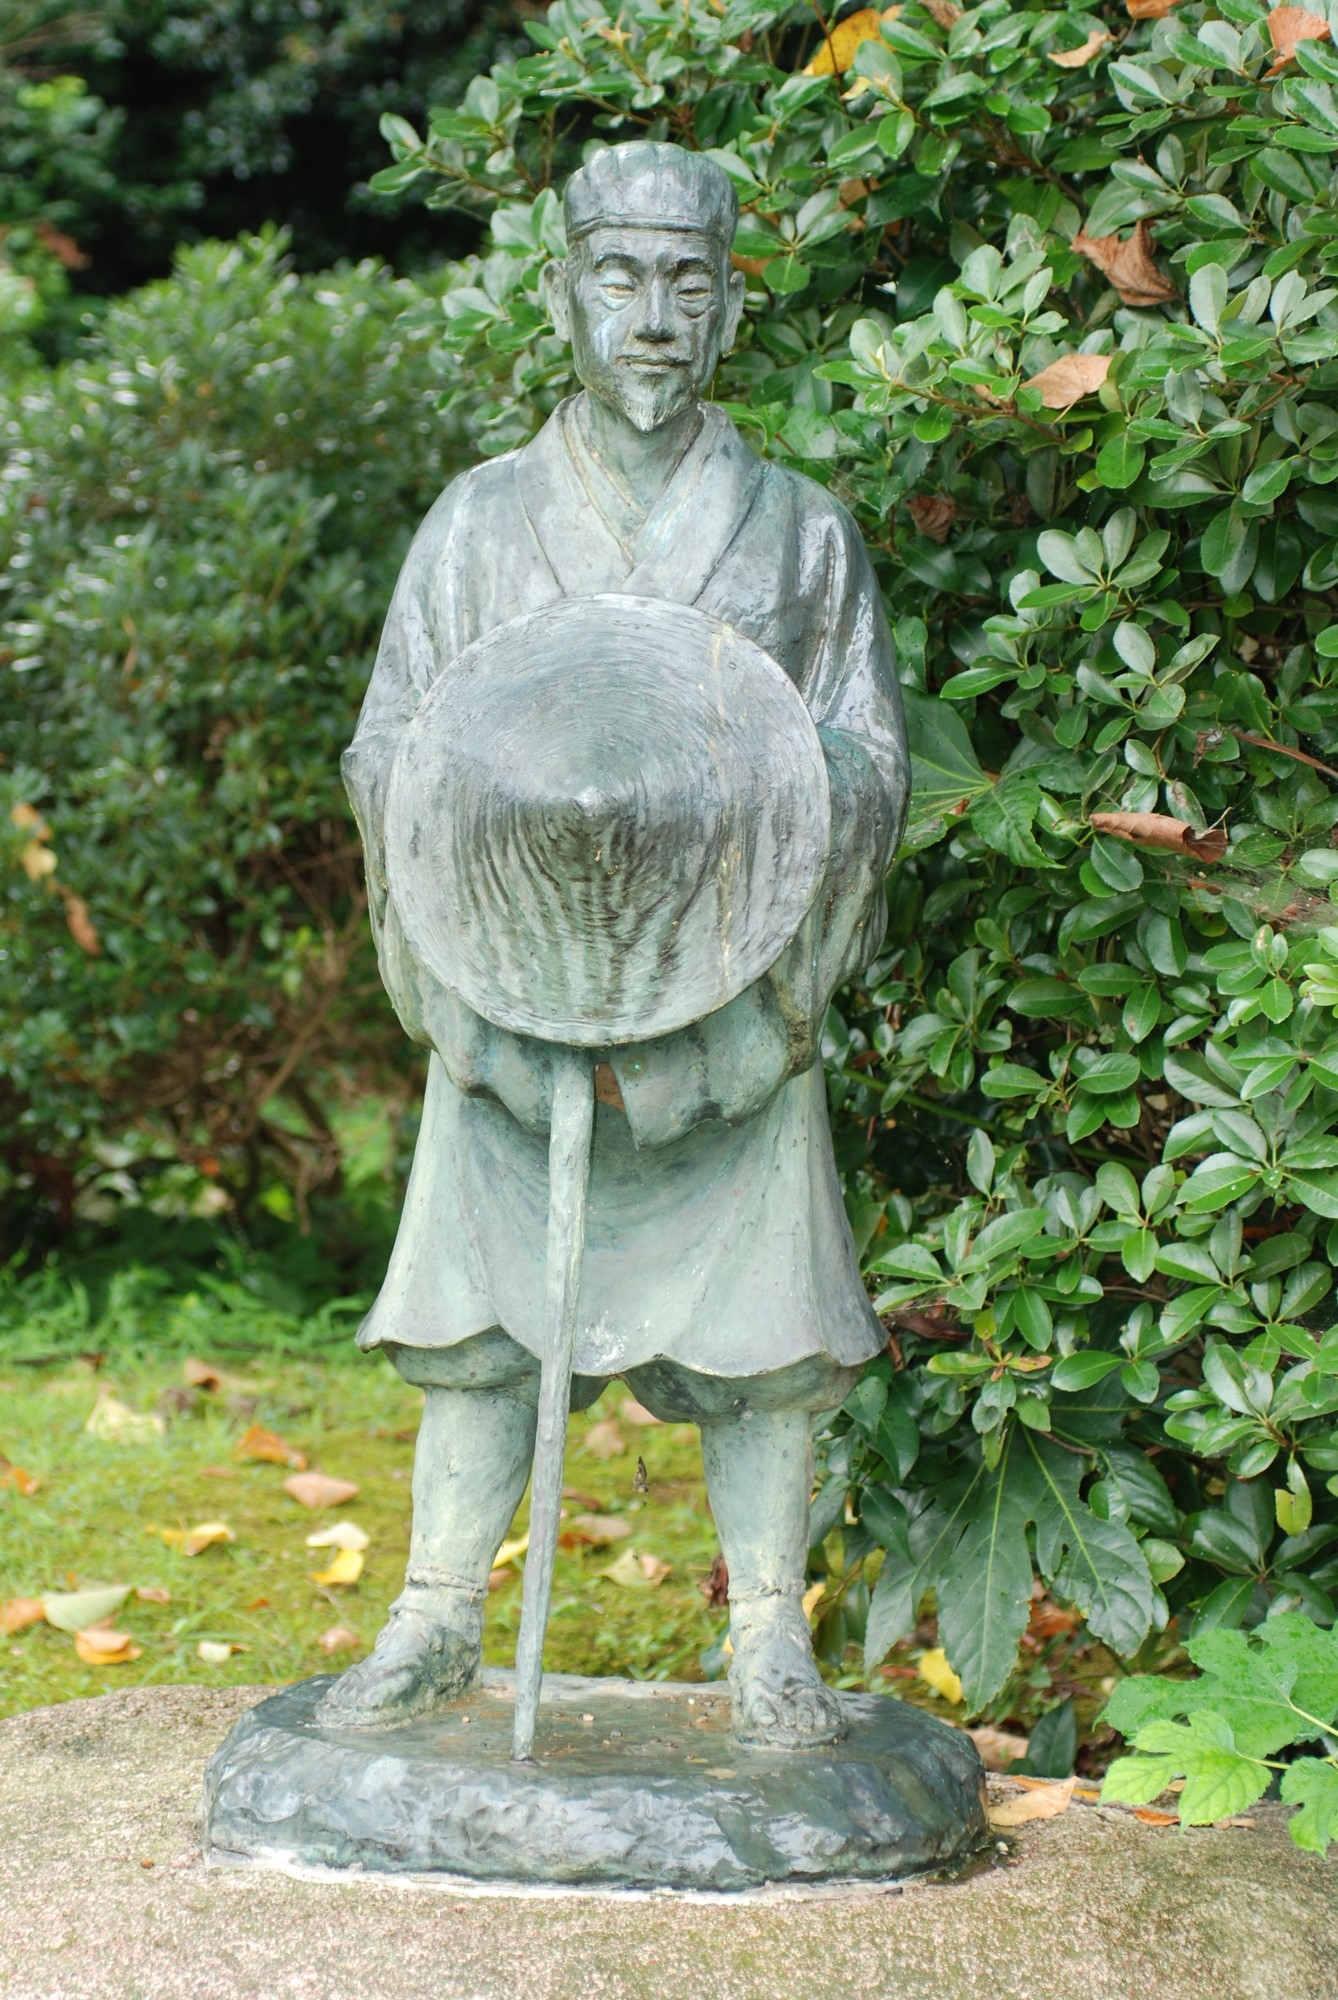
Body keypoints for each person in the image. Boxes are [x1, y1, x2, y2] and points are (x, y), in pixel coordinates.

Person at [324, 141, 909, 1747]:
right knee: (476, 1322)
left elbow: (865, 755)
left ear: (728, 313)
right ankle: (437, 1617)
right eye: (620, 278)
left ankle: (763, 1644)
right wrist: (486, 911)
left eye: (690, 283)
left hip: (729, 1006)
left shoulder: (796, 533)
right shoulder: (478, 523)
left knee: (767, 1335)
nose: (655, 317)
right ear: (566, 296)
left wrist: (750, 815)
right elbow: (390, 750)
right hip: (514, 1002)